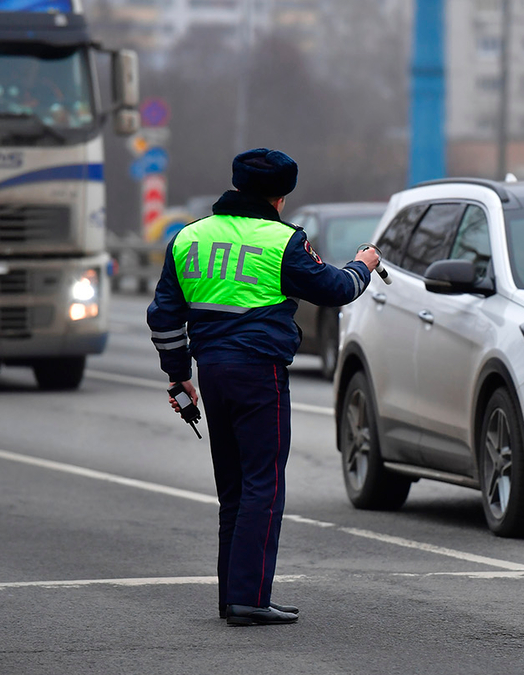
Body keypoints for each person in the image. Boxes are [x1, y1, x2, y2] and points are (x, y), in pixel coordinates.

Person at [147, 148, 380, 626]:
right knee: (264, 487)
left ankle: (231, 596)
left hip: (211, 371)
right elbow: (334, 290)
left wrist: (177, 375)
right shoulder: (283, 241)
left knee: (232, 491)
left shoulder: (188, 238)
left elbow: (164, 316)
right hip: (260, 372)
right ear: (281, 196)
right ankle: (250, 598)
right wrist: (364, 265)